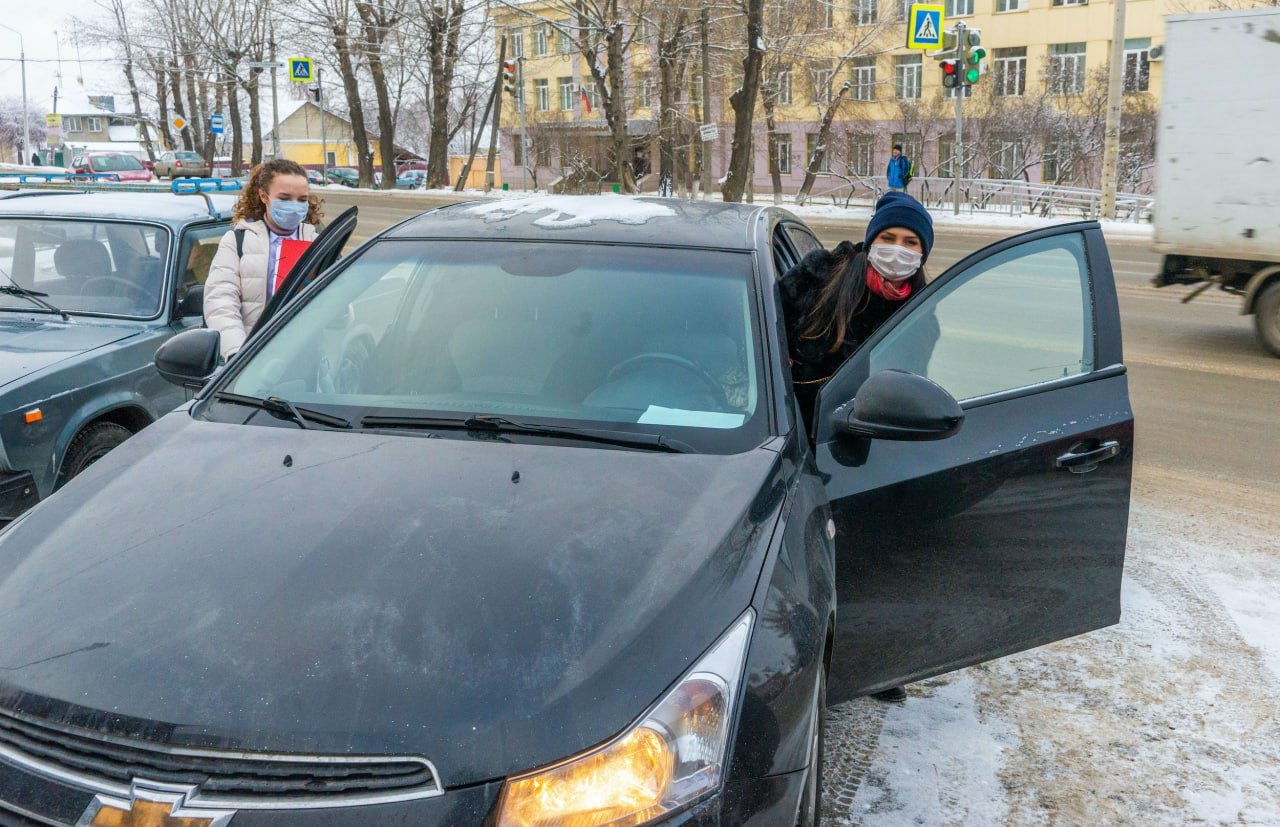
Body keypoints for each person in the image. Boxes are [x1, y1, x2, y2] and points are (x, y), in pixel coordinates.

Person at [781, 191, 936, 703]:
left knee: (868, 550)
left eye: (910, 242)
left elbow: (914, 381)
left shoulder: (923, 314)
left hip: (868, 439)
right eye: (888, 238)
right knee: (805, 552)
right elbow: (763, 331)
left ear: (922, 253)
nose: (897, 250)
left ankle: (870, 662)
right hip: (801, 431)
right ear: (871, 240)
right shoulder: (821, 278)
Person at [205, 159, 322, 360]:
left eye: (302, 199)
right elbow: (221, 300)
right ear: (263, 196)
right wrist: (237, 353)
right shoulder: (237, 241)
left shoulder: (318, 243)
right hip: (253, 358)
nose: (294, 206)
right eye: (285, 198)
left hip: (305, 358)